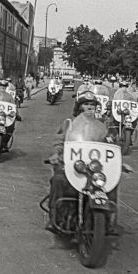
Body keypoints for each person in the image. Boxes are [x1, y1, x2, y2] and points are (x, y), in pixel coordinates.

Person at [44, 91, 121, 234]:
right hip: (74, 165)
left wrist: (119, 162)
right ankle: (54, 216)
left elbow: (111, 146)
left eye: (92, 104)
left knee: (111, 183)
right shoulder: (69, 124)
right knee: (58, 179)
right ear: (80, 107)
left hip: (95, 168)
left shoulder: (103, 125)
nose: (90, 107)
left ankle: (109, 220)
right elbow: (59, 141)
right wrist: (56, 153)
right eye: (86, 104)